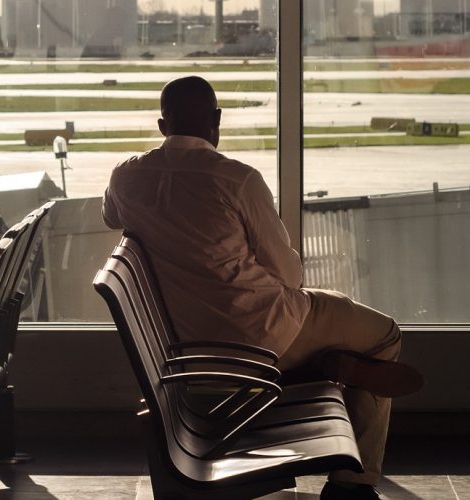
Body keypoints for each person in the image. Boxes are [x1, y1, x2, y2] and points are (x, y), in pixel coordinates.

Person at [102, 76, 422, 499]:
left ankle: (327, 365)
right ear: (216, 121)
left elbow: (110, 216)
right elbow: (290, 275)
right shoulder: (237, 179)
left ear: (163, 126)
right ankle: (353, 481)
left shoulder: (126, 177)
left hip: (189, 349)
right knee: (383, 335)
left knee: (326, 320)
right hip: (266, 336)